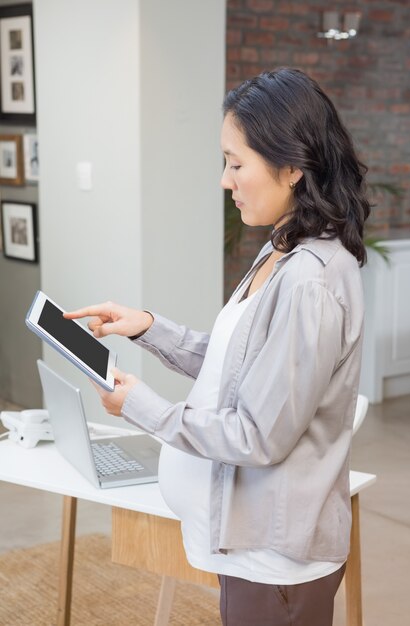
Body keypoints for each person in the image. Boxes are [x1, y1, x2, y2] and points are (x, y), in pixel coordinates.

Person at [65, 68, 370, 626]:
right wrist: (146, 327)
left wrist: (142, 407)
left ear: (292, 167)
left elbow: (258, 434)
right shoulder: (281, 249)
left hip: (275, 564)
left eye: (235, 163)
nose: (225, 180)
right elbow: (242, 369)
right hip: (248, 551)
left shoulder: (311, 281)